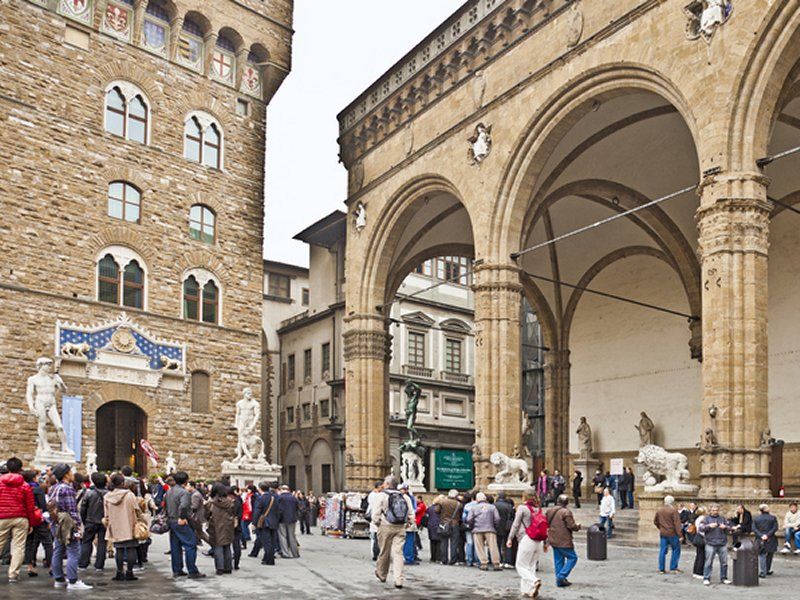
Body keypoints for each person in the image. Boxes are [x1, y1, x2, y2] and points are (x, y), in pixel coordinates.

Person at [48, 463, 91, 590]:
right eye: (71, 472)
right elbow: (72, 510)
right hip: (68, 523)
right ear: (66, 474)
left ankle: (59, 578)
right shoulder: (67, 489)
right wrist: (78, 527)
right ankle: (73, 581)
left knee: (58, 549)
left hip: (57, 522)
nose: (72, 474)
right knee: (74, 550)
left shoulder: (54, 488)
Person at [372, 475, 414, 590]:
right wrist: (408, 523)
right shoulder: (405, 497)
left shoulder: (381, 496)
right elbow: (411, 514)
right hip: (400, 527)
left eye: (385, 483)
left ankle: (382, 574)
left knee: (384, 551)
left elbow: (375, 514)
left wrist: (377, 523)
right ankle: (398, 579)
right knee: (398, 553)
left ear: (387, 484)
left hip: (385, 526)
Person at [0, 456, 38, 583]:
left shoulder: (0, 483)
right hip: (20, 517)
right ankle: (13, 574)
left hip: (2, 517)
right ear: (20, 469)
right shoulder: (25, 485)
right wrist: (31, 523)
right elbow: (30, 506)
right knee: (18, 547)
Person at [164, 471, 205, 579]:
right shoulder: (184, 493)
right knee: (191, 544)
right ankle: (192, 570)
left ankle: (177, 570)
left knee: (175, 546)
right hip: (180, 520)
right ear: (186, 481)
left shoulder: (169, 491)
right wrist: (182, 517)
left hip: (172, 520)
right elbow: (183, 506)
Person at [507, 491, 545, 599]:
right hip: (539, 540)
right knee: (531, 566)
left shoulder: (522, 508)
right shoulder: (539, 508)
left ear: (524, 497)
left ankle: (534, 581)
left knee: (520, 566)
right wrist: (546, 543)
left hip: (527, 538)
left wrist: (510, 538)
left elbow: (516, 524)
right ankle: (528, 591)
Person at [104, 472, 139, 582]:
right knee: (131, 548)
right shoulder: (130, 495)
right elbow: (137, 510)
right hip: (130, 524)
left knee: (118, 549)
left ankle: (119, 572)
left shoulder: (107, 496)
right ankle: (129, 572)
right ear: (123, 482)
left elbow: (106, 514)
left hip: (115, 525)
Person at [546, 494, 580, 588]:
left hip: (553, 538)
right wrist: (578, 526)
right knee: (573, 557)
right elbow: (571, 526)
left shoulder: (549, 511)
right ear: (567, 502)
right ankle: (561, 576)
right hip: (563, 539)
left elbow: (547, 522)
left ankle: (559, 581)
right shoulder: (566, 512)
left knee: (558, 559)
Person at [23, 469, 52, 578]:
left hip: (27, 518)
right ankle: (51, 565)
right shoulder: (38, 489)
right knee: (47, 542)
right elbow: (43, 506)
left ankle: (30, 566)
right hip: (38, 518)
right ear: (34, 478)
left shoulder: (24, 488)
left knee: (30, 543)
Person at [78, 471, 107, 571]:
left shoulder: (89, 493)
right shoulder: (108, 494)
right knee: (102, 543)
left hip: (90, 520)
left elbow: (83, 508)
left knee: (86, 542)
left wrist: (84, 520)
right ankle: (99, 565)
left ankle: (83, 563)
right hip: (103, 521)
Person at [466, 492, 501, 571]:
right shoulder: (492, 507)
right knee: (493, 547)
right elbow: (497, 518)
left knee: (480, 547)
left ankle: (484, 563)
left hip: (477, 529)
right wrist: (494, 526)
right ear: (485, 499)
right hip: (490, 529)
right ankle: (496, 564)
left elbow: (469, 519)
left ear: (477, 499)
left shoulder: (474, 508)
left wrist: (472, 526)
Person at [206, 482, 235, 575]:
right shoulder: (230, 502)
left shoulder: (211, 503)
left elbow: (206, 515)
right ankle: (228, 567)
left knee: (218, 546)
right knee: (227, 546)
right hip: (228, 526)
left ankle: (220, 568)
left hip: (216, 525)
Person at [698, 503, 731, 586]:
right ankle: (706, 578)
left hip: (722, 543)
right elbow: (700, 528)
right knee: (708, 562)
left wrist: (725, 527)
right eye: (713, 510)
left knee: (724, 562)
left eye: (716, 510)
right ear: (710, 510)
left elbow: (729, 529)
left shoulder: (722, 518)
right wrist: (709, 526)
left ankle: (724, 578)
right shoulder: (706, 519)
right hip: (710, 543)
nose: (715, 512)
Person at [653, 495, 683, 574]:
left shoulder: (660, 510)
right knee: (676, 550)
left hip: (663, 533)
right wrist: (680, 535)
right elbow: (677, 524)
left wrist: (660, 528)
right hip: (672, 533)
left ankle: (661, 568)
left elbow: (655, 521)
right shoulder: (673, 511)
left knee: (662, 550)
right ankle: (673, 568)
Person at [251, 481, 278, 566]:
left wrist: (254, 523)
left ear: (260, 489)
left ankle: (269, 560)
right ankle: (267, 558)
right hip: (274, 521)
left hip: (264, 522)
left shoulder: (260, 498)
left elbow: (257, 512)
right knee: (272, 541)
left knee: (266, 542)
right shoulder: (274, 497)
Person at [432, 489, 462, 565]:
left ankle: (444, 560)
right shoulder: (459, 504)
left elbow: (436, 511)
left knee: (444, 542)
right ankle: (453, 560)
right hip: (455, 524)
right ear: (456, 496)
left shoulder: (442, 502)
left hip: (444, 523)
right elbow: (460, 514)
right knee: (454, 543)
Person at [752, 504, 778, 578]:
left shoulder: (756, 518)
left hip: (760, 539)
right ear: (766, 509)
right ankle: (767, 569)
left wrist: (761, 535)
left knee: (762, 555)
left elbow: (754, 529)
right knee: (770, 554)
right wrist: (767, 535)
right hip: (771, 538)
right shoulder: (773, 518)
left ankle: (763, 572)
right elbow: (775, 528)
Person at [277, 484, 300, 558]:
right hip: (292, 519)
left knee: (283, 536)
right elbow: (297, 508)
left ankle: (285, 553)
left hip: (282, 519)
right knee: (292, 536)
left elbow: (279, 509)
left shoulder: (280, 498)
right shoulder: (294, 498)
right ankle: (295, 553)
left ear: (281, 490)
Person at [495, 492, 515, 568]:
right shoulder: (509, 506)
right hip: (507, 527)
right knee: (508, 544)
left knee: (497, 544)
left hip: (497, 527)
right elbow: (513, 516)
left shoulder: (494, 505)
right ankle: (508, 561)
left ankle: (499, 560)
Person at [365, 481, 383, 561]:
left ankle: (376, 553)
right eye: (381, 487)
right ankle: (376, 553)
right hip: (375, 517)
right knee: (375, 537)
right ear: (378, 487)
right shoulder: (374, 495)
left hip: (375, 517)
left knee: (375, 536)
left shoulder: (372, 494)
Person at [461, 492, 478, 567]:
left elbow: (464, 517)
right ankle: (477, 561)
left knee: (469, 543)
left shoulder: (467, 505)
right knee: (477, 544)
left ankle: (469, 560)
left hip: (469, 526)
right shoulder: (481, 505)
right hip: (478, 527)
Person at [691, 506, 707, 579]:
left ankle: (695, 571)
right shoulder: (703, 519)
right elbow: (702, 530)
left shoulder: (697, 519)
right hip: (701, 538)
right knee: (702, 556)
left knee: (698, 555)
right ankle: (700, 572)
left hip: (698, 537)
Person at [425, 497, 442, 563]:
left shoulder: (430, 508)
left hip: (431, 525)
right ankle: (438, 557)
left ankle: (433, 557)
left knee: (432, 542)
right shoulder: (440, 509)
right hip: (438, 525)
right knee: (439, 542)